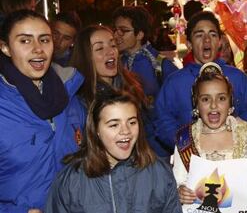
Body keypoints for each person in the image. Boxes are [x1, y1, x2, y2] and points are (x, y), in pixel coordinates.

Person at [0, 10, 86, 212]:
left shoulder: (69, 93)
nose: (38, 49)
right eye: (25, 41)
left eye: (44, 40)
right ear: (5, 47)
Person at [173, 62, 247, 211]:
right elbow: (178, 181)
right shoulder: (185, 139)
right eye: (206, 99)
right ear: (196, 104)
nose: (214, 105)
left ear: (230, 103)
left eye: (221, 98)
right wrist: (180, 192)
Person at [45, 89, 182, 213]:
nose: (126, 131)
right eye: (114, 125)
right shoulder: (71, 181)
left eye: (132, 122)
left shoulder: (159, 173)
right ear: (96, 130)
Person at [155, 11, 247, 154]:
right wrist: (190, 147)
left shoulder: (238, 78)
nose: (207, 40)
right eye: (199, 35)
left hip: (233, 158)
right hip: (190, 161)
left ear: (219, 42)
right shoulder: (174, 82)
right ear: (189, 44)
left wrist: (233, 142)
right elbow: (163, 121)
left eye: (212, 35)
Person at [69, 25, 168, 157]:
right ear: (86, 57)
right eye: (99, 48)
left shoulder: (132, 85)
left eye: (113, 45)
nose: (110, 52)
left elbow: (148, 134)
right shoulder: (80, 101)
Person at [112, 6, 178, 103]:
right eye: (115, 30)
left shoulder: (160, 64)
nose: (116, 35)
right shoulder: (117, 62)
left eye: (123, 30)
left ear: (140, 34)